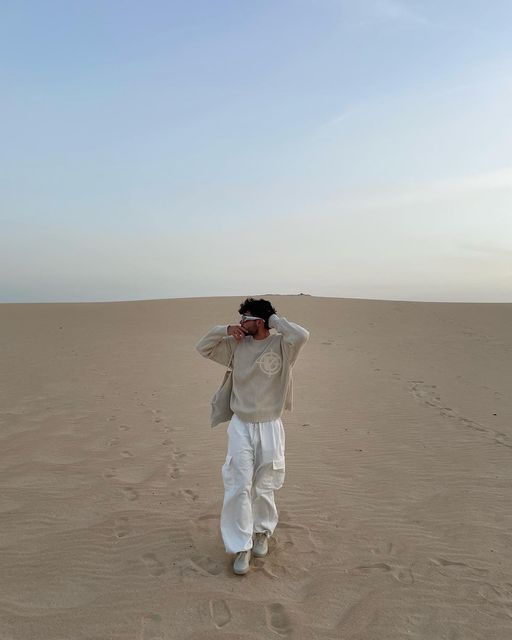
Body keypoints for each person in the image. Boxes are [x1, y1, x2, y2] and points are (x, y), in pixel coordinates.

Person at [196, 298, 309, 575]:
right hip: (241, 425)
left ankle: (261, 531)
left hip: (270, 425)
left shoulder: (283, 345)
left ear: (259, 321)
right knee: (238, 483)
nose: (241, 322)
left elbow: (302, 335)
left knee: (265, 482)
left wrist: (274, 321)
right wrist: (226, 329)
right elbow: (203, 347)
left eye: (245, 318)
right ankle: (241, 545)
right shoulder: (236, 346)